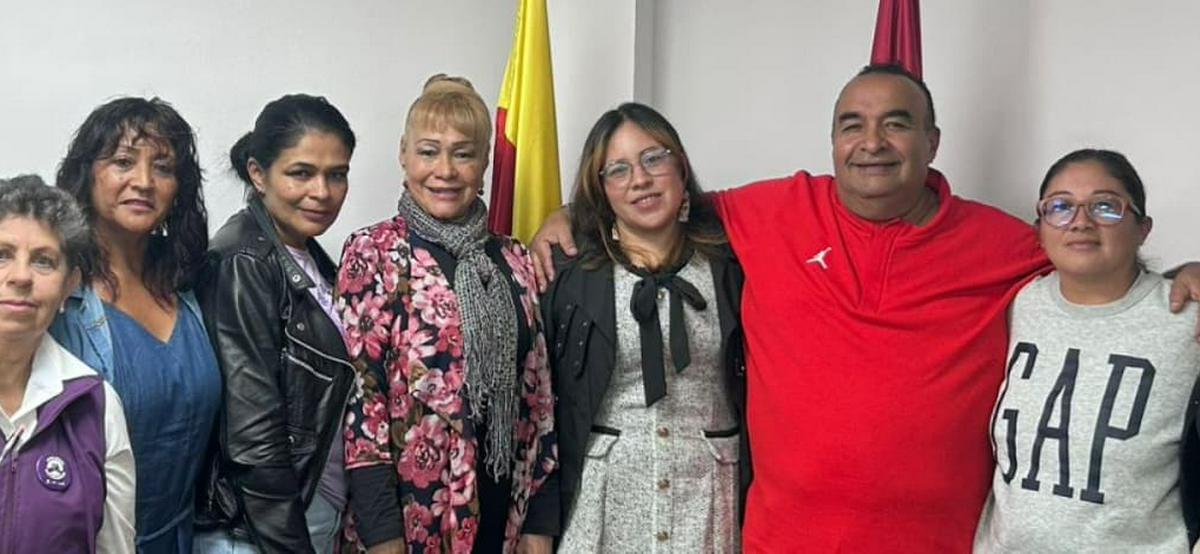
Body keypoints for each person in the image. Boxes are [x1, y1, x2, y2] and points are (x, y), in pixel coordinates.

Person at [530, 65, 1200, 552]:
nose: (872, 141)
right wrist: (568, 216)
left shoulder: (1002, 244)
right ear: (832, 142)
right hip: (779, 544)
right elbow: (654, 204)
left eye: (896, 124)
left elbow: (1095, 257)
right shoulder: (772, 212)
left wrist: (1182, 277)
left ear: (932, 141)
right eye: (853, 125)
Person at [335, 75, 556, 553]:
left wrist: (539, 521)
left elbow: (538, 399)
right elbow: (362, 405)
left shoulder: (515, 259)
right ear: (403, 155)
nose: (445, 170)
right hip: (410, 520)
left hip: (505, 514)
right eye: (429, 151)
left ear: (485, 162)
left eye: (463, 153)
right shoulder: (374, 253)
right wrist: (382, 536)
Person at [524, 103, 749, 552]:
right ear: (601, 189)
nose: (640, 180)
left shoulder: (733, 263)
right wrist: (538, 523)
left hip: (709, 506)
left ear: (680, 166)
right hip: (601, 507)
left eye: (653, 159)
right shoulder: (569, 275)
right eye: (618, 170)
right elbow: (537, 409)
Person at [974, 149, 1200, 552]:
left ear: (1143, 228)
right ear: (1040, 228)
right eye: (1060, 207)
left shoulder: (1185, 318)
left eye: (1105, 206)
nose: (1080, 221)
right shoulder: (1017, 304)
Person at [49, 97, 222, 552]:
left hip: (186, 538)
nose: (144, 181)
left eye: (163, 168)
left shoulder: (191, 286)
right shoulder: (57, 297)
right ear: (87, 174)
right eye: (123, 162)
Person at [193, 95, 358, 554]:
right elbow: (252, 435)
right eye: (301, 173)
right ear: (258, 174)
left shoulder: (308, 256)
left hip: (309, 510)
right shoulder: (244, 261)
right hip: (260, 530)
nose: (322, 192)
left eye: (337, 174)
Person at [0, 174, 135, 553]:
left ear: (68, 286)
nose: (20, 276)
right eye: (2, 255)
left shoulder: (96, 405)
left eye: (43, 262)